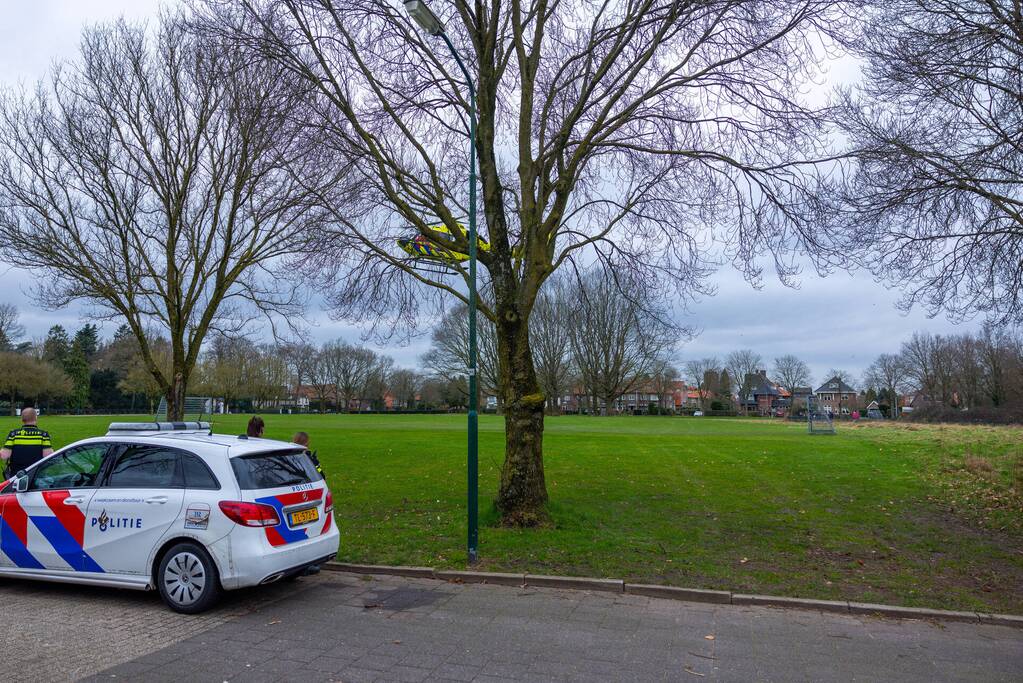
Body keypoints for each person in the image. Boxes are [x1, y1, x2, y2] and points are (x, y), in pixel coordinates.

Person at [1, 407, 54, 478]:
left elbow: (4, 456)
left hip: (17, 476)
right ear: (36, 418)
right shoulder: (43, 435)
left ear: (22, 419)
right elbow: (48, 456)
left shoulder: (13, 434)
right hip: (36, 476)